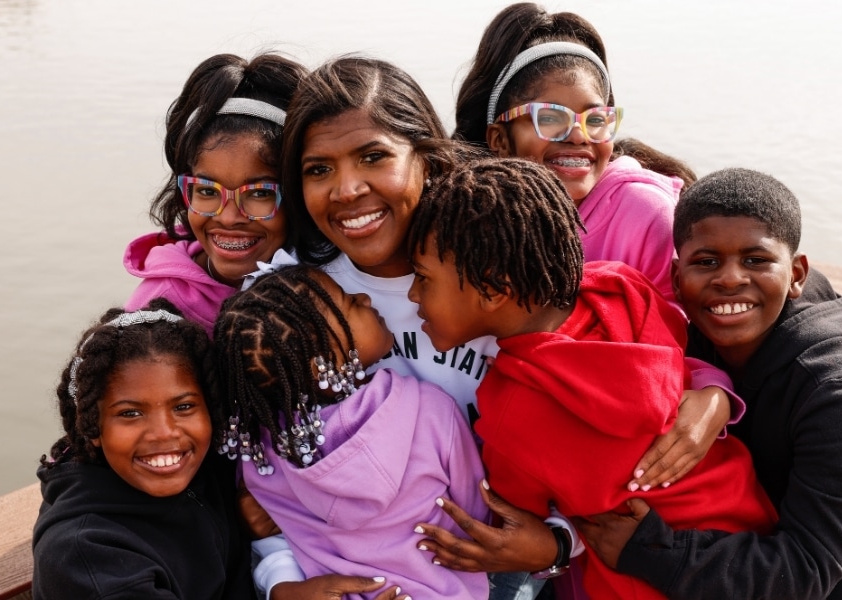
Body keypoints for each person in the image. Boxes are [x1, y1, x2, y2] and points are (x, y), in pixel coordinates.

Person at [280, 54, 733, 600]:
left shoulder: (507, 272)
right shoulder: (305, 302)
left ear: (426, 157)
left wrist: (714, 393)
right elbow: (268, 470)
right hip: (357, 572)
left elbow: (636, 401)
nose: (347, 189)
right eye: (317, 169)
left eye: (373, 157)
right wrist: (277, 579)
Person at [571, 168, 842, 599]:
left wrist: (655, 550)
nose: (730, 278)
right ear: (677, 279)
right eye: (706, 261)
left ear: (797, 274)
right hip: (793, 477)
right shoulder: (683, 336)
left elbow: (806, 570)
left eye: (756, 260)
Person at [405, 157, 778, 599]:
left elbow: (514, 518)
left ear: (493, 291)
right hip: (750, 530)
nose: (413, 294)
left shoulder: (510, 411)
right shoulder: (622, 288)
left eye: (424, 279)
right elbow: (677, 343)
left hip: (651, 577)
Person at [212, 264, 490, 600]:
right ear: (323, 364)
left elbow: (275, 538)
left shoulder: (265, 453)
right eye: (350, 304)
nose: (364, 298)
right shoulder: (429, 410)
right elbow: (476, 514)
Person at [454, 2, 689, 304]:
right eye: (550, 118)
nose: (579, 136)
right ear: (500, 139)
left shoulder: (643, 213)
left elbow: (672, 334)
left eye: (595, 120)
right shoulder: (474, 219)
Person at [31, 299, 254, 599]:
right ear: (93, 427)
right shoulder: (88, 559)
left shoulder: (212, 468)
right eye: (130, 413)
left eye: (184, 406)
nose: (164, 434)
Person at [123, 52, 306, 332]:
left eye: (259, 193)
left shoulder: (336, 282)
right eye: (207, 191)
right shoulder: (158, 311)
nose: (229, 218)